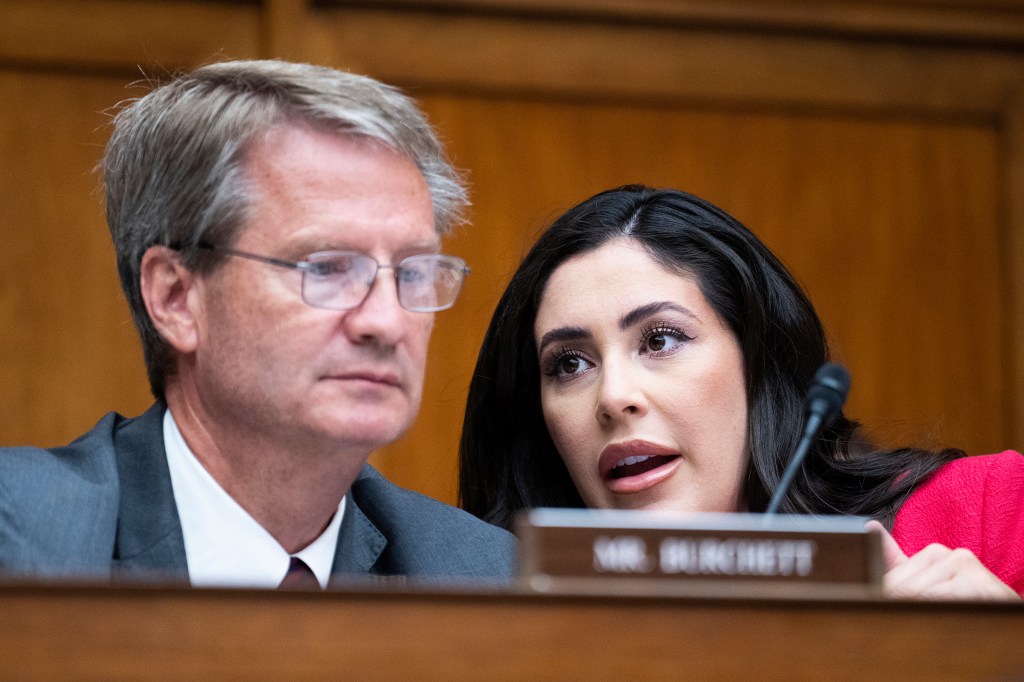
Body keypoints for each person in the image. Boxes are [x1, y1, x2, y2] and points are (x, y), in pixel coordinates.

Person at [0, 59, 514, 588]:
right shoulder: (22, 537)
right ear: (176, 297)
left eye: (413, 272)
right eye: (328, 268)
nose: (386, 322)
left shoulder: (482, 576)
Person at [459, 185, 1023, 600]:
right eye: (570, 363)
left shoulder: (984, 512)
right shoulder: (503, 609)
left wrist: (998, 649)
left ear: (757, 363)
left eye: (660, 339)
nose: (613, 396)